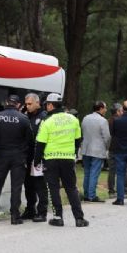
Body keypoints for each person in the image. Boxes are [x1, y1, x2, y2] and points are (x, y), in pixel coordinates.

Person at [33, 93, 88, 227]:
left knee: (53, 189)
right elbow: (77, 140)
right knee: (71, 188)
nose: (46, 107)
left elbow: (40, 143)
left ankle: (58, 218)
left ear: (51, 105)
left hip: (51, 159)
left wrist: (37, 161)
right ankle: (79, 219)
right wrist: (74, 154)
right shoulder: (73, 119)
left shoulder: (47, 121)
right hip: (68, 159)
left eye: (46, 104)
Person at [0, 95, 33, 225]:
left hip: (1, 155)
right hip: (18, 157)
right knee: (16, 186)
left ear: (7, 103)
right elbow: (30, 140)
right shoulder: (23, 119)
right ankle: (15, 216)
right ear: (18, 105)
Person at [21, 93, 48, 222]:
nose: (27, 106)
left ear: (37, 103)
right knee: (28, 184)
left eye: (30, 104)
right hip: (27, 155)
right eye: (26, 104)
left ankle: (42, 211)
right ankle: (30, 209)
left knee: (40, 185)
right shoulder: (25, 116)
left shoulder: (44, 117)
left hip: (39, 156)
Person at [80, 101, 110, 202]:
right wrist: (107, 148)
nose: (106, 110)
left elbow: (83, 131)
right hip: (98, 150)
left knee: (87, 173)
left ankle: (87, 194)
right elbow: (107, 137)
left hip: (86, 149)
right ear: (101, 108)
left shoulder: (85, 118)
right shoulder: (103, 121)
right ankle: (92, 196)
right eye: (105, 108)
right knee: (94, 173)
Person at [107, 103, 127, 196]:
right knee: (125, 169)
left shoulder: (107, 121)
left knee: (112, 170)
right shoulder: (123, 121)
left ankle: (111, 191)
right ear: (118, 111)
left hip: (112, 148)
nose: (123, 112)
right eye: (121, 110)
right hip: (122, 148)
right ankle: (126, 190)